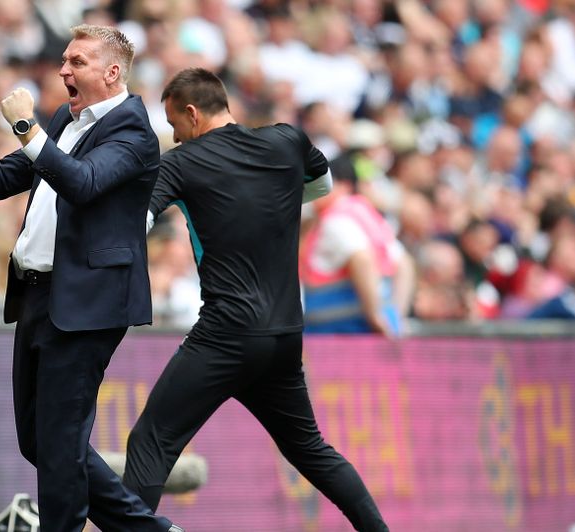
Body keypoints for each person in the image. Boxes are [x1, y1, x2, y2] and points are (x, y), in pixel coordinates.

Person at [0, 24, 180, 532]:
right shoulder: (66, 122)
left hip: (89, 303)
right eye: (64, 59)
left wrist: (27, 129)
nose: (63, 69)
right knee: (39, 442)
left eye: (78, 61)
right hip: (38, 294)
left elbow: (84, 184)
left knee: (60, 442)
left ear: (112, 72)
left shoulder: (134, 130)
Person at [121, 68, 388, 532]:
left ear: (191, 113)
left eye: (174, 125)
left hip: (226, 334)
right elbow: (322, 187)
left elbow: (135, 222)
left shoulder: (181, 163)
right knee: (310, 449)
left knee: (152, 441)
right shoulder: (286, 141)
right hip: (284, 335)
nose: (175, 136)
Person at [299, 152, 414, 337]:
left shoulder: (336, 220)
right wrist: (394, 318)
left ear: (343, 184)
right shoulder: (367, 213)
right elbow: (404, 263)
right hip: (365, 334)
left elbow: (362, 259)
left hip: (340, 335)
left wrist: (375, 315)